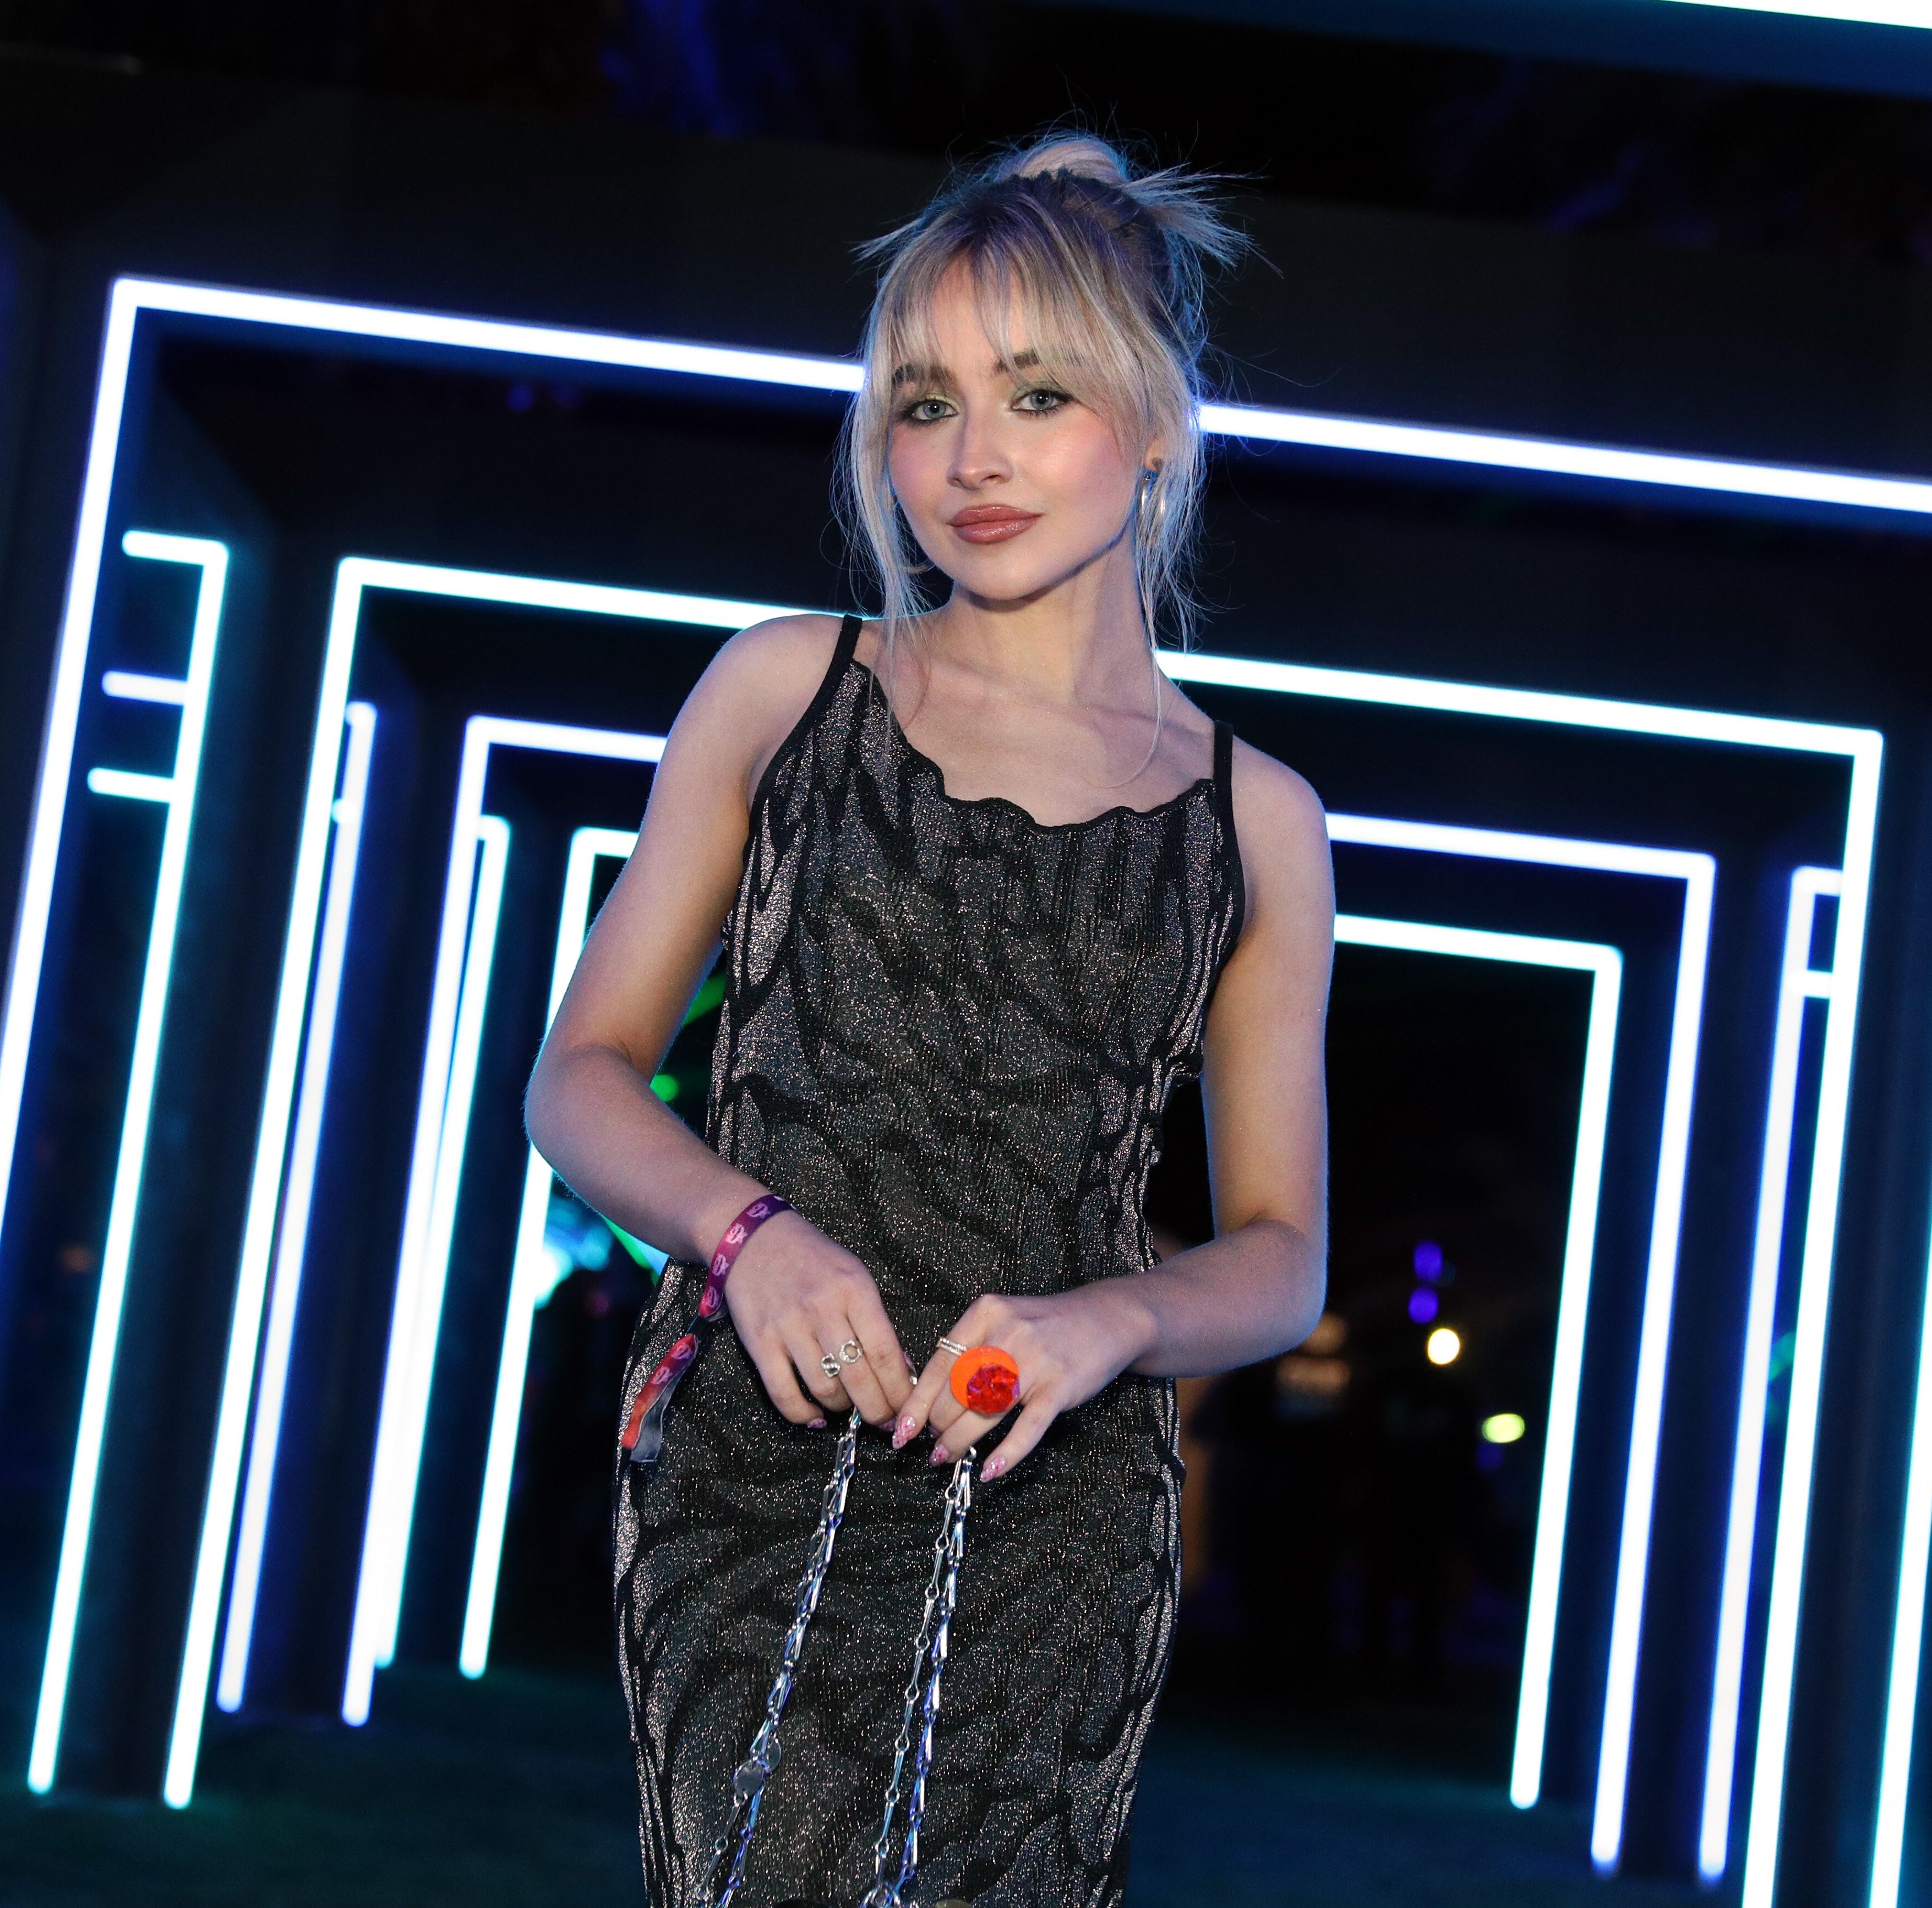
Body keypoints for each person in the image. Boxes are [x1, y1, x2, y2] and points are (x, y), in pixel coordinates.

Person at [525, 129, 1333, 1908]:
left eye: (1036, 393)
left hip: (1057, 1499)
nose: (971, 455)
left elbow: (1282, 1255)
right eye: (923, 401)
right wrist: (746, 1233)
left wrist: (1111, 1319)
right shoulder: (782, 688)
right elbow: (578, 1077)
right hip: (753, 1457)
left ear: (1156, 422)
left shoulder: (1254, 819)